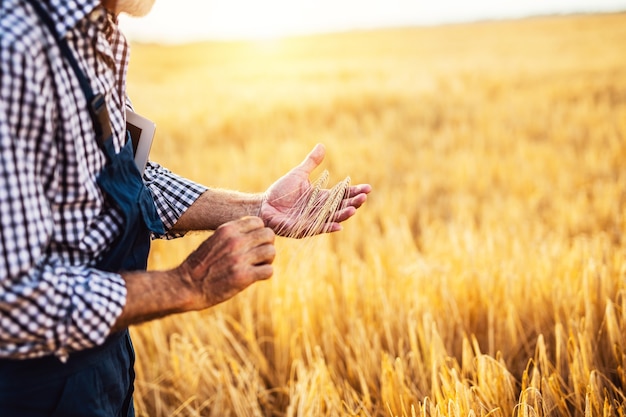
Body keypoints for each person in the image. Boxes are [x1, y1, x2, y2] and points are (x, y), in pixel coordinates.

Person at [0, 0, 372, 415]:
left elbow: (127, 176)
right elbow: (11, 297)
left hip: (105, 359)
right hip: (30, 387)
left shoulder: (100, 31)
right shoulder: (14, 49)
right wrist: (188, 283)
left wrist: (259, 207)